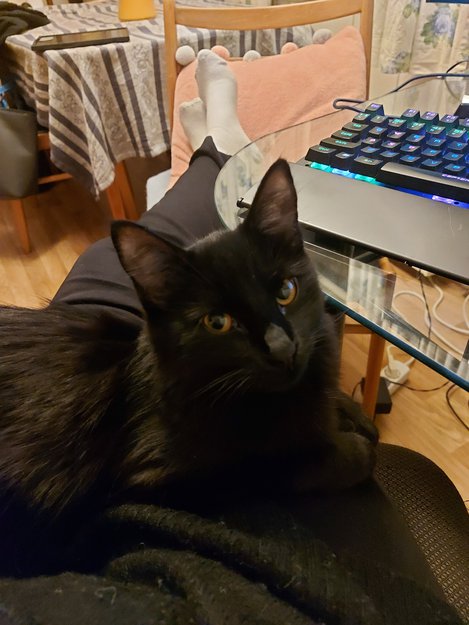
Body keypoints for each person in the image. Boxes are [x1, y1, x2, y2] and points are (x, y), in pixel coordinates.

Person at [2, 51, 466, 625]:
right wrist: (308, 462)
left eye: (287, 291)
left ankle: (215, 147)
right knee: (140, 255)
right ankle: (218, 147)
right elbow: (166, 484)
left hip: (97, 337)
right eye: (222, 325)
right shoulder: (192, 430)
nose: (281, 347)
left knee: (126, 255)